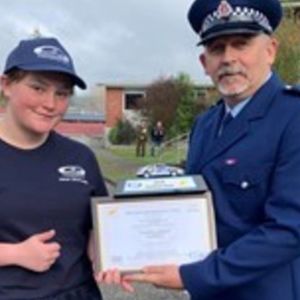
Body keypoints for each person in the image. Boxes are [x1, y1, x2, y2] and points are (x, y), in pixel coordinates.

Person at [98, 0, 300, 299]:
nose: (228, 58)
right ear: (205, 63)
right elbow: (193, 199)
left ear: (270, 50)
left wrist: (192, 275)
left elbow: (290, 229)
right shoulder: (205, 124)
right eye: (217, 48)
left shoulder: (292, 117)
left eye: (241, 44)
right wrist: (125, 251)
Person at [0, 37, 107, 299]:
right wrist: (14, 254)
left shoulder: (81, 157)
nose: (50, 104)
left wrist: (117, 258)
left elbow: (98, 229)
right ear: (6, 85)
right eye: (38, 88)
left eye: (62, 93)